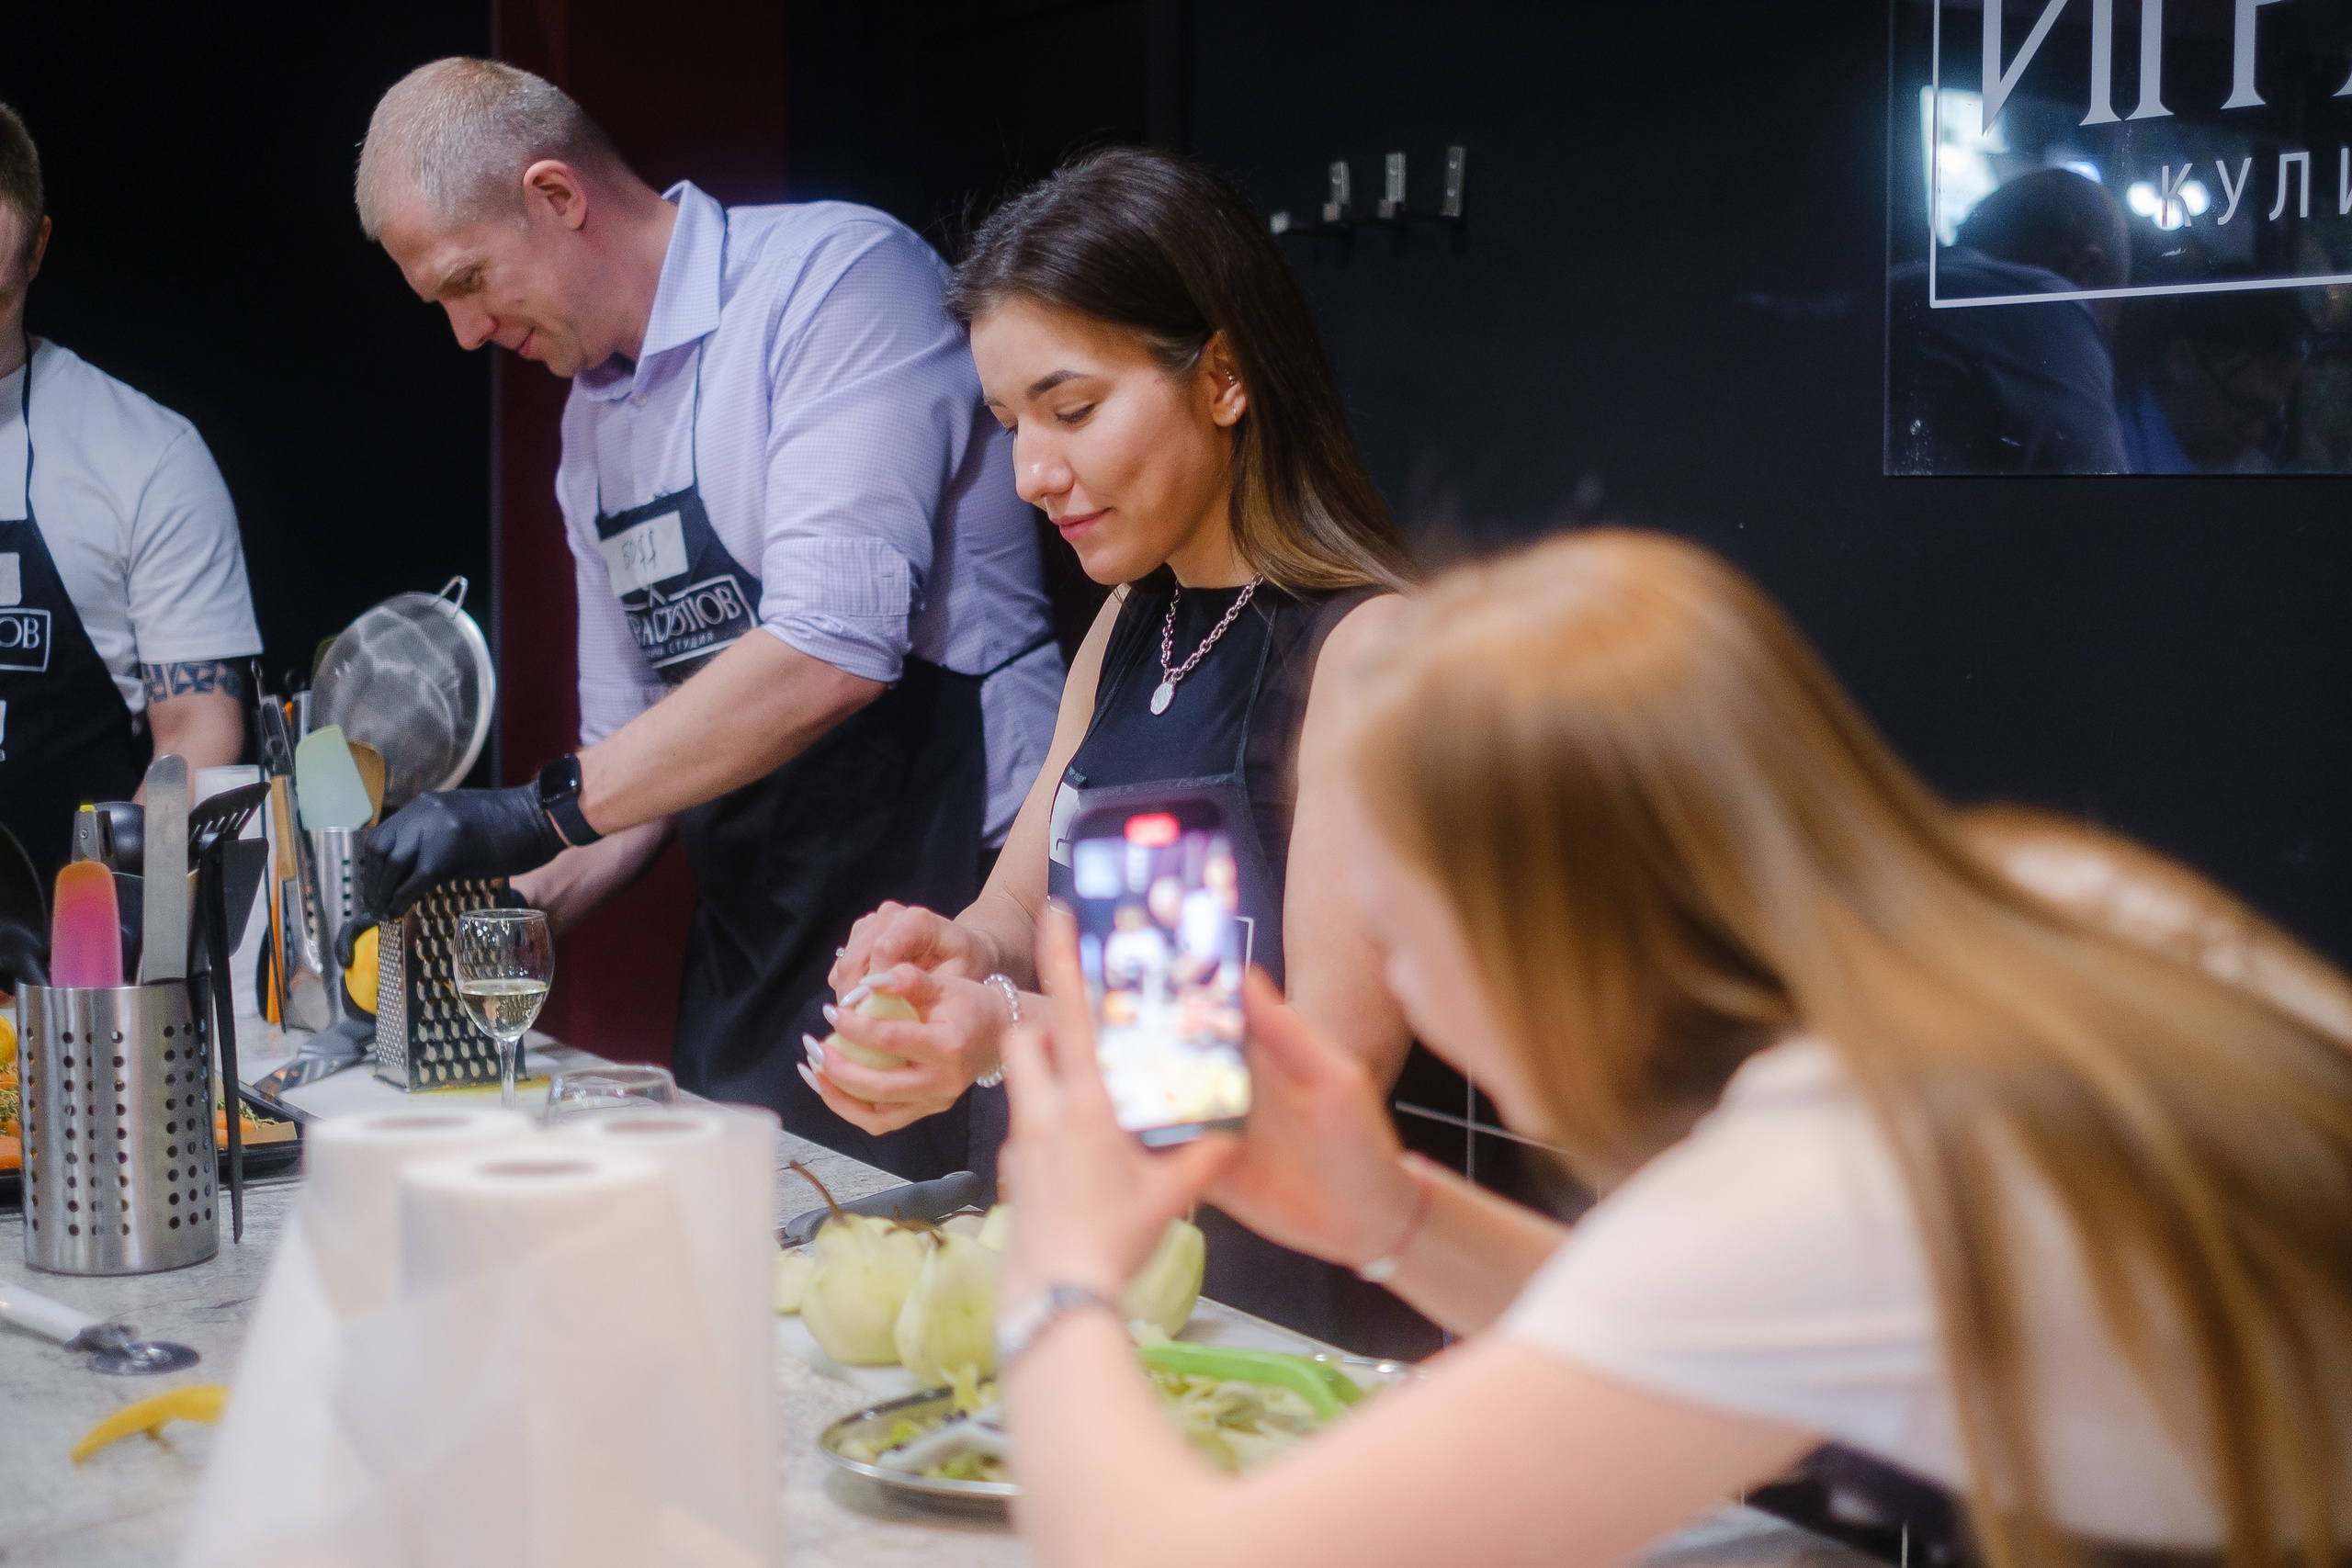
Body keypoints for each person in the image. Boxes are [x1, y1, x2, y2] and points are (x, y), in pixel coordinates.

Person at [989, 528, 2352, 1568]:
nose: (1394, 983)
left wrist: (1056, 1277)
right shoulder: (2040, 902)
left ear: (1531, 931)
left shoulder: (1823, 1181)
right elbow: (1694, 1322)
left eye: (1398, 934)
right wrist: (1391, 1211)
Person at [349, 61, 1062, 1177]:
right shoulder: (590, 433)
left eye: (469, 280)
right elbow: (623, 785)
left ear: (556, 195)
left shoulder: (834, 282)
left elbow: (831, 652)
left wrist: (528, 811)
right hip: (755, 935)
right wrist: (478, 922)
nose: (467, 332)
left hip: (944, 915)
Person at [816, 147, 1423, 1348]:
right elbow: (1012, 911)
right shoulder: (1131, 618)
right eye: (1009, 423)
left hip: (1254, 1317)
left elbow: (1325, 1078)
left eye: (1073, 407)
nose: (1034, 471)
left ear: (1226, 378)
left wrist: (1001, 1027)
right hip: (1071, 1277)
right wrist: (947, 950)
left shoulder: (1367, 654)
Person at [0, 103, 261, 885]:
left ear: (37, 250)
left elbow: (197, 726)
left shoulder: (148, 457)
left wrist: (98, 928)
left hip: (61, 970)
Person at [1888, 169, 2131, 474]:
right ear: (2081, 268)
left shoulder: (1900, 286)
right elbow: (2105, 508)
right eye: (2100, 331)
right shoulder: (2053, 309)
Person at [2114, 284, 2310, 473]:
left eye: (2272, 413)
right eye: (2246, 406)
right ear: (2181, 361)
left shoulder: (2247, 464)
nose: (2258, 432)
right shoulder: (2115, 450)